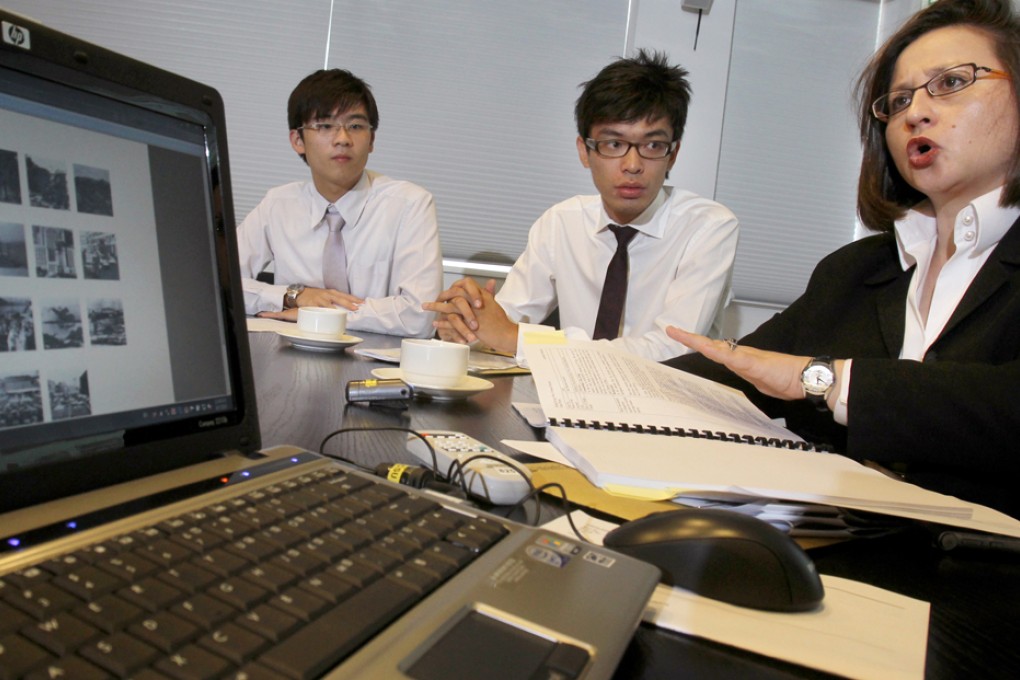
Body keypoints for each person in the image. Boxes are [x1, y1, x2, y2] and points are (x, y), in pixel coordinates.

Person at [665, 0, 1020, 518]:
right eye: (899, 100)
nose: (915, 113)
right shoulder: (854, 271)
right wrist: (582, 382)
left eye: (951, 83)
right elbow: (733, 373)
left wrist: (827, 380)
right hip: (836, 548)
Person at [425, 50, 738, 362]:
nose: (632, 164)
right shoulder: (561, 222)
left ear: (673, 154)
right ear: (584, 152)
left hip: (669, 392)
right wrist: (467, 326)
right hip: (571, 389)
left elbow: (674, 349)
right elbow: (506, 322)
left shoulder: (708, 227)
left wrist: (512, 336)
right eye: (614, 144)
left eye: (652, 145)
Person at [237, 69, 442, 337]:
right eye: (325, 126)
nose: (343, 139)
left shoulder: (410, 205)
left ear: (371, 140)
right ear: (298, 140)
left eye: (355, 126)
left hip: (374, 357)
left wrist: (323, 312)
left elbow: (421, 315)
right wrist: (294, 296)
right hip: (290, 352)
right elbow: (217, 283)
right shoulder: (278, 205)